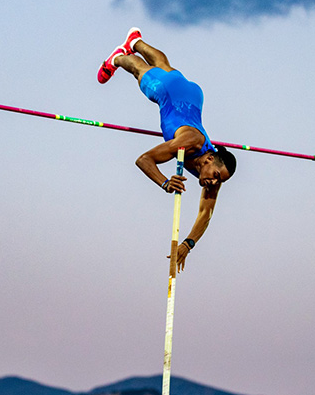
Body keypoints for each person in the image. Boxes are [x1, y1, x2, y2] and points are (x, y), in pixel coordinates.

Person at [97, 28, 236, 273]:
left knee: (164, 65)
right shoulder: (190, 142)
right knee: (140, 71)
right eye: (216, 175)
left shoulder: (212, 172)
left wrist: (188, 244)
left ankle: (136, 41)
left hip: (193, 96)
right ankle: (117, 57)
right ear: (210, 158)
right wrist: (164, 183)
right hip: (167, 94)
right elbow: (144, 160)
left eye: (218, 180)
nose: (214, 182)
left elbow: (206, 213)